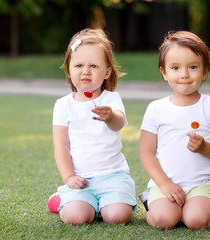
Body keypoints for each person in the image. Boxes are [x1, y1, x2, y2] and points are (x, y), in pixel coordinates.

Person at [139, 31, 210, 230]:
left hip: (201, 185)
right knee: (163, 220)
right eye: (175, 67)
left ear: (205, 71)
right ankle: (157, 202)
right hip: (164, 184)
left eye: (192, 67)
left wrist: (204, 147)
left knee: (196, 221)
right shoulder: (156, 108)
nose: (184, 74)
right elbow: (146, 152)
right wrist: (164, 184)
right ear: (164, 72)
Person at [52, 28, 137, 225]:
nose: (85, 71)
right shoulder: (63, 105)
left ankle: (102, 204)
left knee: (118, 217)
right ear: (68, 69)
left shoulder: (111, 99)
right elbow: (61, 145)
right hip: (81, 179)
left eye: (93, 66)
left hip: (113, 175)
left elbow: (119, 123)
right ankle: (64, 199)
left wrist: (110, 117)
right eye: (79, 65)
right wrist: (69, 177)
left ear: (107, 72)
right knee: (76, 218)